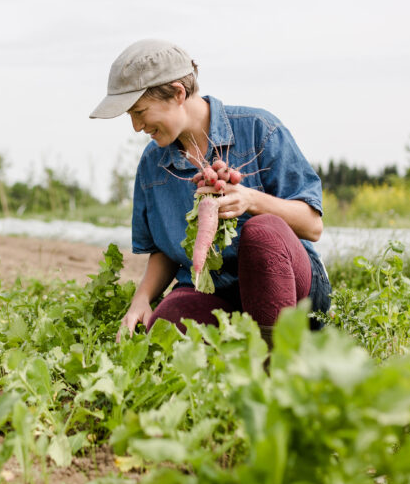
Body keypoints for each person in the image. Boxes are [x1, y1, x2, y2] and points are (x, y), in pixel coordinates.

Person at [89, 39, 331, 344]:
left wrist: (250, 199)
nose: (137, 126)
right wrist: (142, 298)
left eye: (139, 111)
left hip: (291, 293)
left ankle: (277, 362)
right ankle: (241, 351)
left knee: (263, 232)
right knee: (167, 325)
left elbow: (313, 224)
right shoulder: (153, 163)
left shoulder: (259, 129)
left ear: (178, 93)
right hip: (214, 294)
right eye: (130, 116)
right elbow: (165, 250)